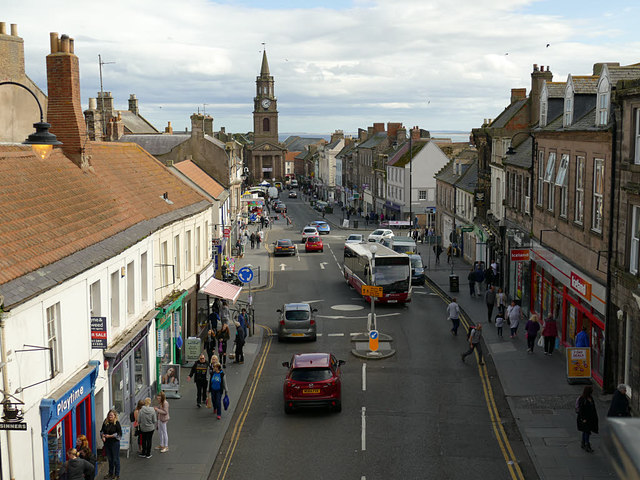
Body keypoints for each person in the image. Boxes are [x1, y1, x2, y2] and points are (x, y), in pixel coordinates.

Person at [100, 410, 122, 478]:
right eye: (109, 415)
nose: (110, 417)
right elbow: (102, 431)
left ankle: (117, 474)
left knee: (115, 459)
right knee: (110, 459)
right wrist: (102, 436)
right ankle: (110, 473)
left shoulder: (117, 423)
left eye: (111, 415)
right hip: (107, 443)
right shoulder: (105, 422)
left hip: (114, 443)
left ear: (114, 416)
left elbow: (119, 434)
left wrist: (110, 436)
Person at [576, 385, 599, 452]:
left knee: (585, 431)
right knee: (587, 431)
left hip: (590, 418)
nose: (593, 391)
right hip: (585, 419)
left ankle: (583, 443)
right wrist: (583, 418)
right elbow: (581, 410)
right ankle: (587, 445)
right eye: (591, 389)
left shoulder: (590, 398)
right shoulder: (582, 399)